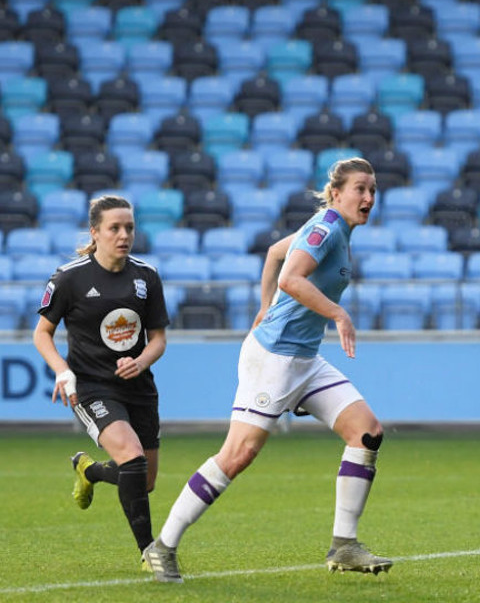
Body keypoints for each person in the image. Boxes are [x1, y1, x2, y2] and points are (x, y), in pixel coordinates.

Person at [143, 158, 391, 582]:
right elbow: (291, 278)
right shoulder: (326, 229)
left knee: (366, 431)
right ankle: (161, 546)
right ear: (336, 193)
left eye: (372, 190)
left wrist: (263, 307)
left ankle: (344, 545)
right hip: (274, 358)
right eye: (359, 189)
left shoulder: (334, 229)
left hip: (305, 359)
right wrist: (337, 314)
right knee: (237, 455)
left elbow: (277, 253)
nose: (368, 198)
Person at [33, 194, 169, 565]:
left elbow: (158, 339)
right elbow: (42, 333)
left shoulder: (147, 277)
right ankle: (150, 552)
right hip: (93, 387)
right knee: (132, 457)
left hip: (139, 387)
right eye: (115, 228)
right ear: (96, 232)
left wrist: (140, 362)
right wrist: (63, 371)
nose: (124, 235)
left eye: (129, 227)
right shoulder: (69, 278)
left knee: (146, 480)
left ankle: (88, 469)